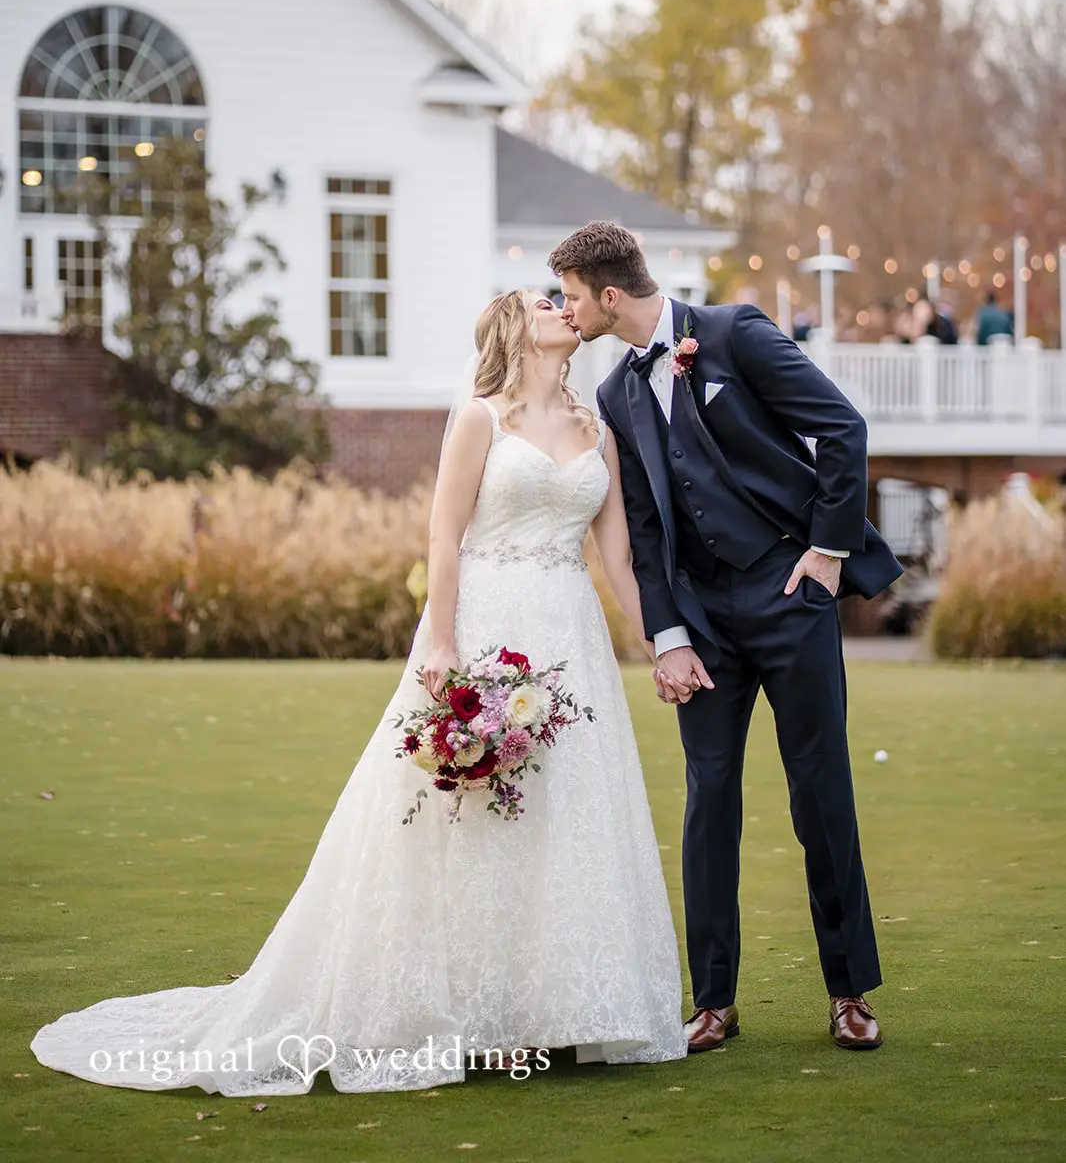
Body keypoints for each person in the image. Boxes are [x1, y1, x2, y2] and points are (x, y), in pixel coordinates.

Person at [31, 290, 687, 1095]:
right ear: (515, 330)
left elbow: (617, 558)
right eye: (541, 301)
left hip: (571, 641)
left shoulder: (599, 432)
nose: (560, 307)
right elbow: (444, 535)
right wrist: (444, 643)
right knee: (466, 814)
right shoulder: (481, 419)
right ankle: (467, 1010)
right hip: (487, 624)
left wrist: (663, 643)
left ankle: (555, 1009)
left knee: (567, 811)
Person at [552, 222, 904, 1055]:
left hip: (790, 594)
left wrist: (826, 549)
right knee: (710, 800)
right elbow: (641, 527)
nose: (566, 312)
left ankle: (848, 991)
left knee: (820, 790)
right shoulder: (616, 397)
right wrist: (666, 632)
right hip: (703, 622)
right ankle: (714, 1001)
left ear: (609, 294)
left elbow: (841, 429)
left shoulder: (733, 333)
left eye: (570, 296)